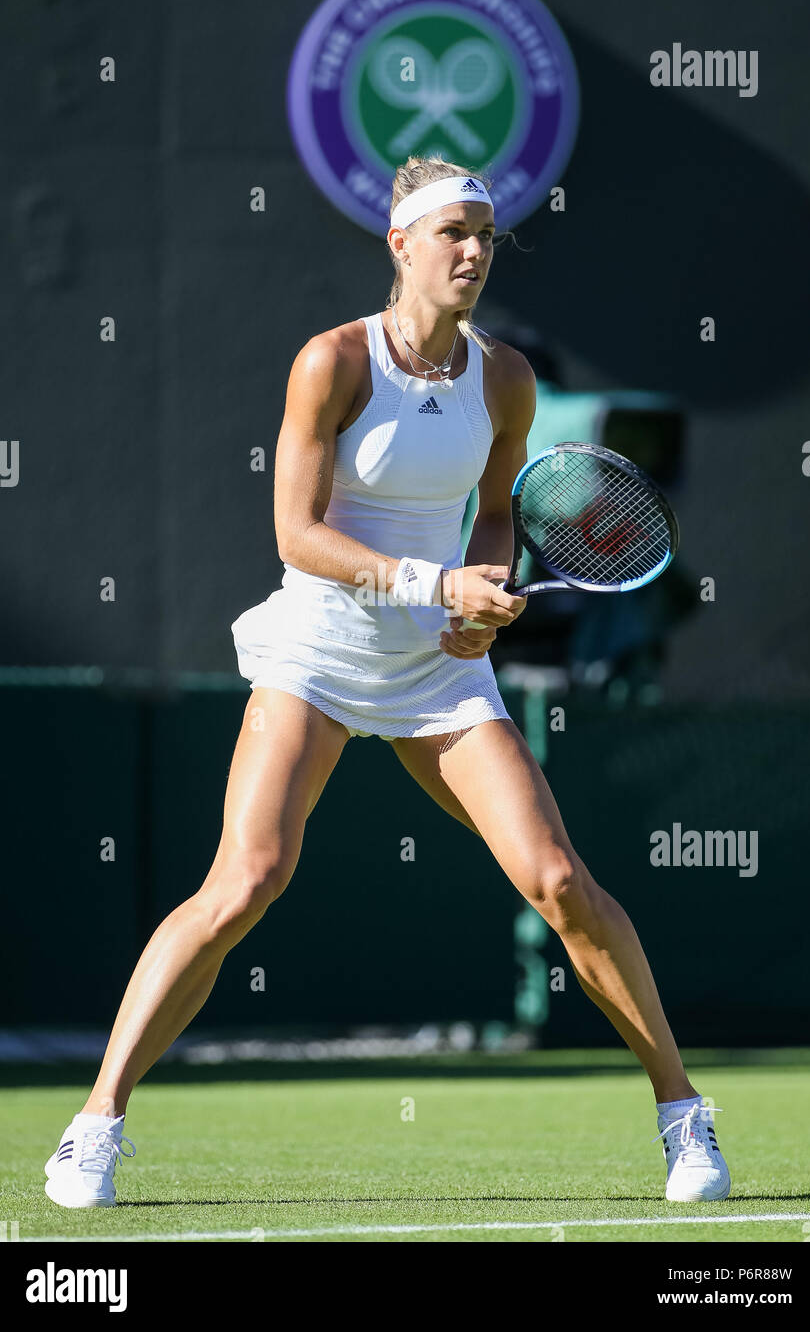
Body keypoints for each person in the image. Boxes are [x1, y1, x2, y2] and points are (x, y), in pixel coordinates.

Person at [43, 155, 730, 1209]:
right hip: (315, 655)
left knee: (554, 879)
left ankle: (684, 1117)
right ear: (399, 243)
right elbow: (296, 534)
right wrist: (429, 578)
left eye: (485, 236)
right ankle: (96, 1122)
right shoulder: (329, 364)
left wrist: (480, 591)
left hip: (435, 675)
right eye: (450, 232)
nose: (471, 251)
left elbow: (495, 510)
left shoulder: (505, 378)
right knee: (246, 880)